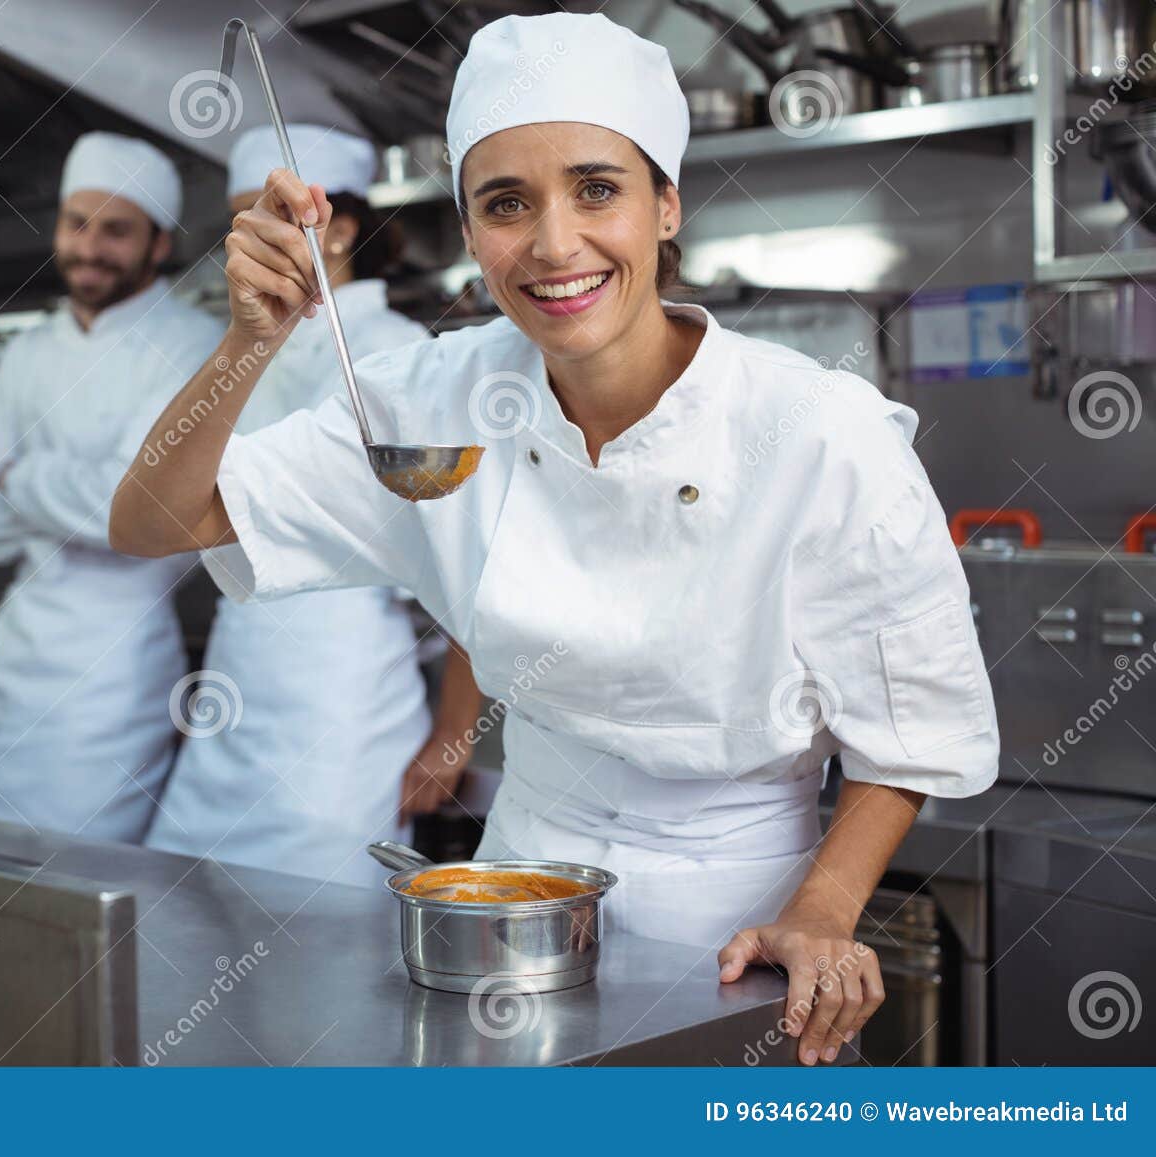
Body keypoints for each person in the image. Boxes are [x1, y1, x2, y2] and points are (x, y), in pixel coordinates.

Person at [110, 13, 1000, 1066]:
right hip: (513, 908)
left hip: (734, 923)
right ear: (471, 228)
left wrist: (824, 906)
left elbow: (909, 736)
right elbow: (153, 522)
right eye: (505, 203)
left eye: (595, 188)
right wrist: (246, 341)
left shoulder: (817, 431)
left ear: (664, 205)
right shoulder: (435, 397)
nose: (552, 244)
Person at [144, 125, 481, 885]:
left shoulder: (400, 352)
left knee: (315, 953)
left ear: (345, 228)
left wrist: (454, 737)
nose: (250, 238)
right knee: (184, 926)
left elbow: (472, 560)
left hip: (342, 712)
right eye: (240, 220)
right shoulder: (241, 347)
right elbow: (152, 517)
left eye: (270, 214)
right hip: (235, 691)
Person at [0, 133, 224, 839]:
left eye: (116, 230)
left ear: (158, 244)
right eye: (76, 223)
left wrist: (14, 478)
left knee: (63, 890)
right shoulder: (27, 352)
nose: (90, 247)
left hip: (112, 684)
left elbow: (141, 513)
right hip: (8, 674)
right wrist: (74, 493)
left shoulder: (193, 346)